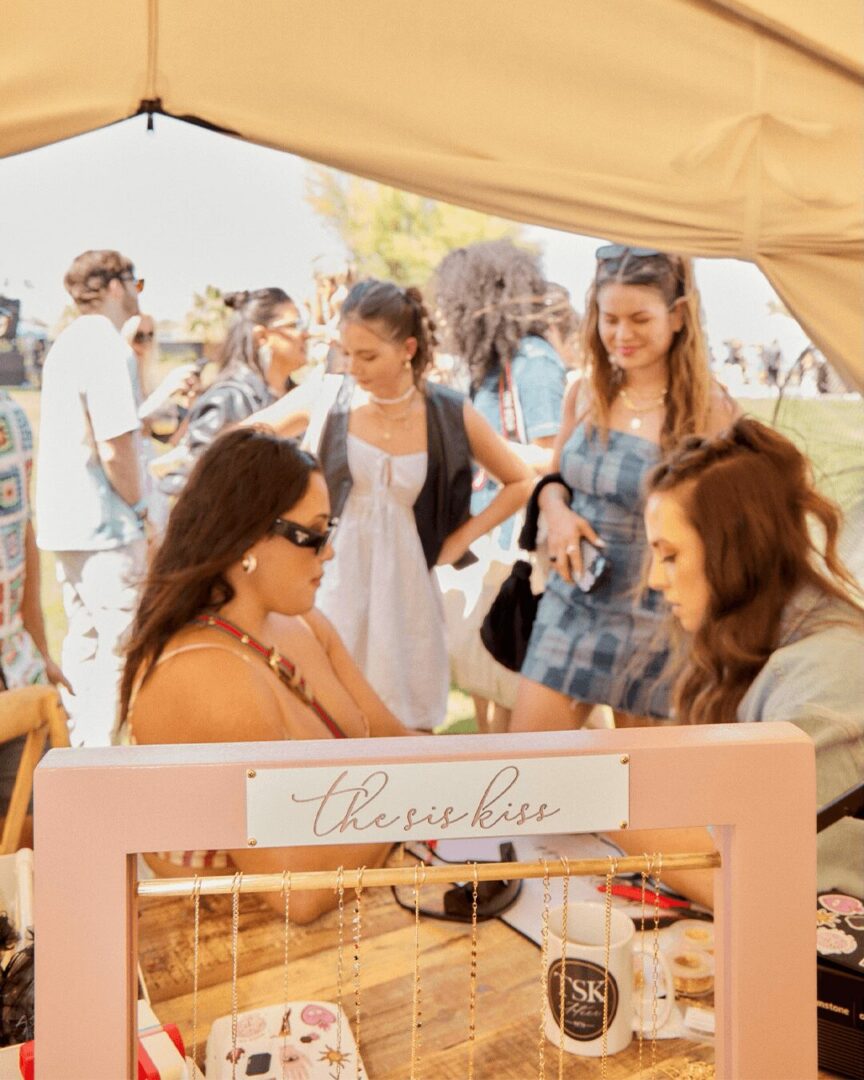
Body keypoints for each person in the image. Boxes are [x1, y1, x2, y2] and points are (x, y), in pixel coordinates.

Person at [120, 427, 408, 922]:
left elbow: (395, 743)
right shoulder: (207, 676)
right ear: (247, 537)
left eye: (329, 529)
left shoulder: (303, 623)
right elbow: (299, 892)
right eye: (312, 534)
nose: (328, 551)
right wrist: (411, 801)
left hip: (337, 923)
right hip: (231, 953)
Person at [249, 279, 533, 730]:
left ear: (407, 349)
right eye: (346, 353)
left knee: (407, 713)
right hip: (331, 576)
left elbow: (519, 481)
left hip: (407, 584)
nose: (353, 367)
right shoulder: (327, 396)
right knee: (324, 713)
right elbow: (242, 440)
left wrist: (459, 540)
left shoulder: (447, 411)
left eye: (367, 356)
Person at [612, 417, 864, 906]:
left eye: (669, 555)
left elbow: (765, 887)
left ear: (735, 552)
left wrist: (609, 805)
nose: (655, 579)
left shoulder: (825, 683)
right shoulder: (765, 639)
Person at [511, 244, 739, 732]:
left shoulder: (710, 410)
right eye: (609, 319)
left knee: (647, 779)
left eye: (639, 319)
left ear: (678, 316)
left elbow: (728, 526)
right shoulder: (583, 392)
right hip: (572, 602)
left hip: (659, 617)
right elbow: (555, 479)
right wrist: (556, 512)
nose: (621, 335)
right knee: (525, 760)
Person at [433, 240, 567, 732]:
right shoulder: (488, 365)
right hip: (487, 543)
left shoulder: (532, 361)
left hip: (517, 546)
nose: (444, 317)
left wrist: (480, 449)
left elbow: (555, 460)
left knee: (509, 673)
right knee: (483, 674)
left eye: (450, 305)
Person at [36, 249, 148, 746]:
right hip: (107, 526)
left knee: (83, 641)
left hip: (65, 522)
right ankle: (96, 763)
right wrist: (141, 508)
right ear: (116, 285)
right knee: (120, 647)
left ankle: (74, 750)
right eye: (136, 283)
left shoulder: (67, 344)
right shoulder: (106, 345)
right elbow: (114, 444)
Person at [155, 288, 308, 495]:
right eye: (294, 325)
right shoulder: (227, 399)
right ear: (262, 336)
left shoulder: (298, 396)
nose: (305, 334)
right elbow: (197, 482)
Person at [0, 391, 72, 811]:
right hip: (17, 669)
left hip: (16, 670)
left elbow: (19, 530)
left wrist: (40, 652)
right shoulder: (9, 415)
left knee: (42, 827)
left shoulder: (9, 417)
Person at [121, 313, 201, 532]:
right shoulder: (122, 372)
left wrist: (191, 403)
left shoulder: (147, 374)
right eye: (139, 336)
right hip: (130, 462)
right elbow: (132, 420)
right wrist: (166, 389)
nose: (145, 342)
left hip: (148, 462)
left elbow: (167, 435)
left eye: (150, 335)